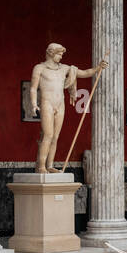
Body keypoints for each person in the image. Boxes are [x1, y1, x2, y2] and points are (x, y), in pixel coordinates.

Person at [29, 43, 106, 173]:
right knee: (48, 135)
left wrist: (98, 68)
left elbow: (84, 73)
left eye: (61, 54)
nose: (61, 57)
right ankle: (41, 166)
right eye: (59, 54)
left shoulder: (64, 69)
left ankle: (50, 165)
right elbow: (33, 88)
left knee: (55, 137)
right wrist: (33, 104)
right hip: (46, 103)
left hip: (60, 104)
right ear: (51, 53)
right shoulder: (39, 68)